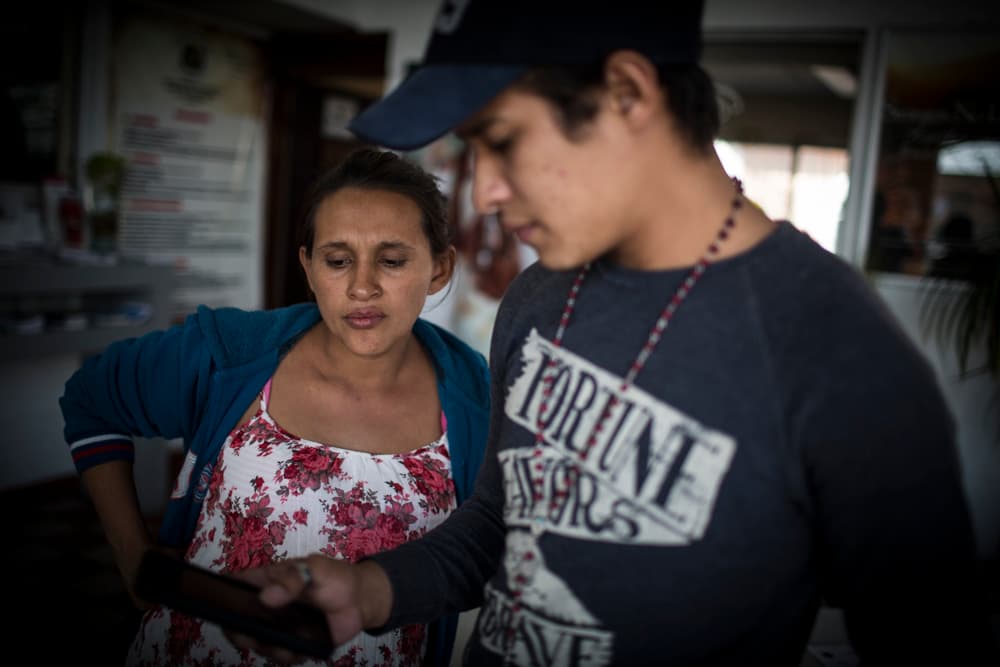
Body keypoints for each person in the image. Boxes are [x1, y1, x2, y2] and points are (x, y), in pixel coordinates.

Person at [239, 2, 996, 665]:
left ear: (627, 92)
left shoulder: (839, 354)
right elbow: (504, 523)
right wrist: (368, 588)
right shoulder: (536, 297)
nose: (486, 190)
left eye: (501, 139)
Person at [59, 148, 491, 666]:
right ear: (308, 267)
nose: (361, 286)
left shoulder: (476, 399)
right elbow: (93, 399)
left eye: (392, 260)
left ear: (439, 268)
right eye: (337, 260)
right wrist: (132, 555)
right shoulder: (231, 355)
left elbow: (487, 546)